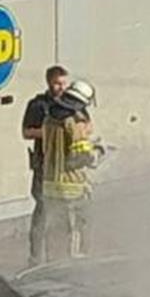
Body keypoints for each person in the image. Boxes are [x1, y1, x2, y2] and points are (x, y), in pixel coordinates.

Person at [38, 78, 101, 262]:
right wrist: (97, 153)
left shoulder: (49, 118)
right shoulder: (75, 122)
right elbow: (80, 156)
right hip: (71, 188)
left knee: (54, 231)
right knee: (76, 230)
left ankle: (51, 265)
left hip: (49, 186)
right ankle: (73, 267)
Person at [23, 66, 72, 266]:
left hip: (65, 167)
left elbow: (86, 124)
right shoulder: (38, 105)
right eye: (57, 83)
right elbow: (27, 132)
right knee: (43, 209)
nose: (61, 87)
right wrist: (52, 133)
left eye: (64, 83)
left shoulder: (72, 105)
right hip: (44, 166)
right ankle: (36, 257)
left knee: (66, 211)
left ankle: (62, 256)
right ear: (49, 83)